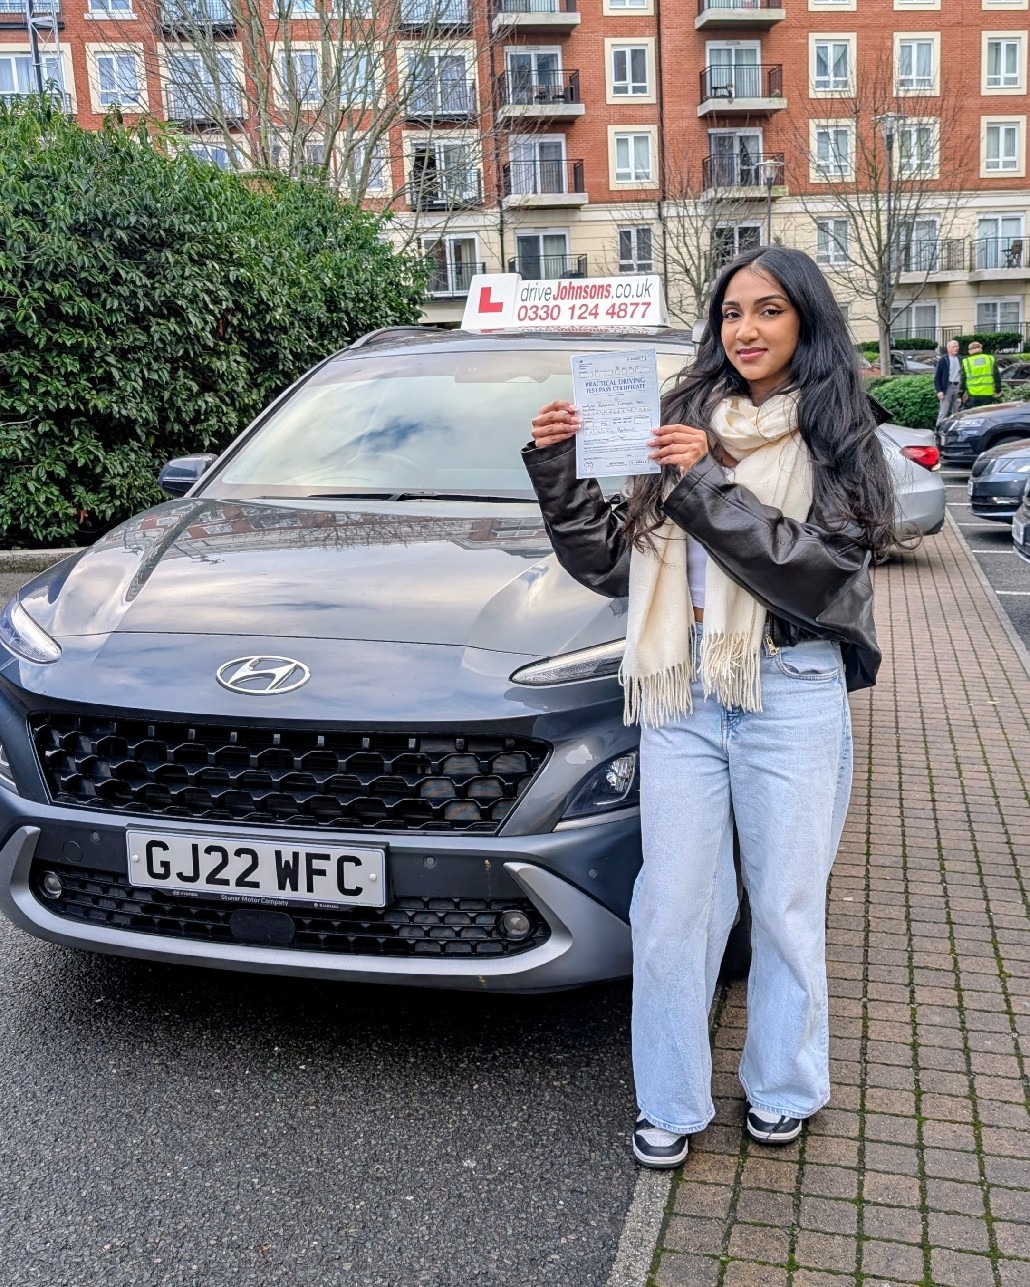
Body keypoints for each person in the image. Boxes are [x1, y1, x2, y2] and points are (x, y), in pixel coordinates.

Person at [523, 246, 896, 1168]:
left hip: (789, 686)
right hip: (680, 686)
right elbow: (616, 562)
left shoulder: (840, 430)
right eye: (732, 312)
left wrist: (703, 486)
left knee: (784, 905)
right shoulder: (681, 413)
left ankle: (784, 1085)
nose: (746, 329)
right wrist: (560, 468)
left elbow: (820, 573)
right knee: (673, 905)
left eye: (769, 310)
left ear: (806, 319)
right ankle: (671, 1098)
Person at [960, 341, 1001, 407]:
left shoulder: (966, 361)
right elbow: (996, 375)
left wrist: (960, 394)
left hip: (973, 393)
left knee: (974, 413)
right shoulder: (990, 358)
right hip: (987, 393)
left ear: (969, 351)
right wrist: (998, 390)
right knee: (986, 412)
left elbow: (963, 379)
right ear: (981, 349)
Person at [934, 339, 962, 421]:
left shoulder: (960, 359)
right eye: (953, 347)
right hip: (947, 387)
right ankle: (938, 427)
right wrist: (939, 390)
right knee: (943, 412)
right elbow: (937, 376)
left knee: (957, 411)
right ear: (948, 348)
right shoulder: (943, 360)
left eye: (957, 346)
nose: (956, 348)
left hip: (958, 386)